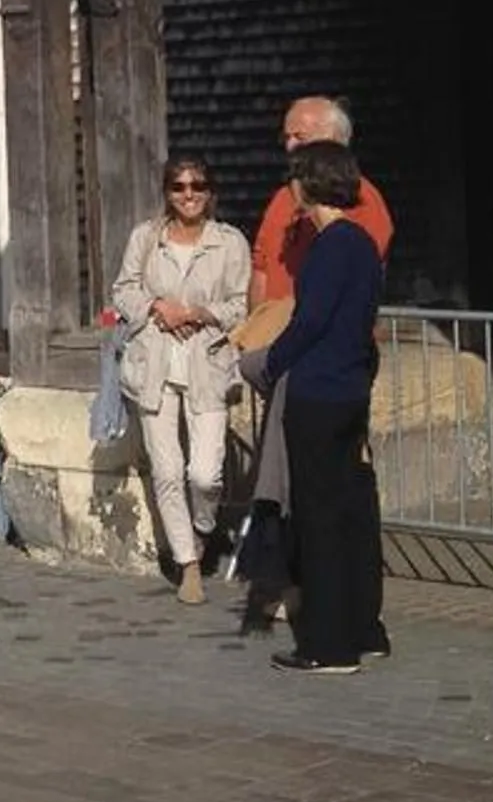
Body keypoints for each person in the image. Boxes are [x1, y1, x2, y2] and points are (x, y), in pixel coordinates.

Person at [245, 139, 386, 675]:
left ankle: (329, 644)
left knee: (320, 519)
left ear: (309, 183)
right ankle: (364, 628)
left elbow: (311, 321)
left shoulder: (331, 246)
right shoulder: (363, 244)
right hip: (350, 388)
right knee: (350, 513)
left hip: (319, 392)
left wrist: (271, 361)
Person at [111, 154, 251, 604]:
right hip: (154, 364)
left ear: (210, 192)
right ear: (167, 192)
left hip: (207, 364)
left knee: (205, 474)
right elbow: (123, 290)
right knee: (168, 470)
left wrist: (198, 313)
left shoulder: (229, 242)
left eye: (197, 186)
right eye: (179, 186)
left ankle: (202, 528)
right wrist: (158, 308)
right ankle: (187, 563)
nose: (188, 194)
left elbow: (240, 305)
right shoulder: (146, 237)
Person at [248, 96, 395, 311]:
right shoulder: (282, 197)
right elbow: (261, 267)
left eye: (300, 137)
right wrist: (257, 325)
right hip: (274, 328)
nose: (290, 146)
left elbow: (356, 280)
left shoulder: (360, 197)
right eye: (286, 137)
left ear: (332, 140)